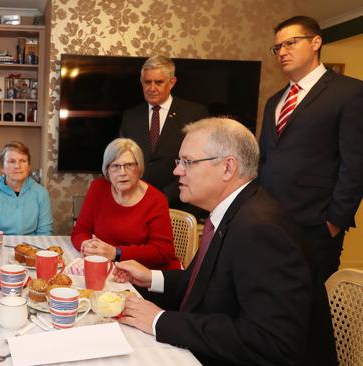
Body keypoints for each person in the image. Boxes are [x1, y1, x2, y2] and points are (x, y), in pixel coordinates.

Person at [114, 118, 337, 365]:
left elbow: (270, 342)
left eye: (187, 162)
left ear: (228, 168)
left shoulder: (261, 230)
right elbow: (205, 284)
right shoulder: (235, 211)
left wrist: (159, 321)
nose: (177, 170)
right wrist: (151, 277)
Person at [259, 15, 363, 283]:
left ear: (316, 42)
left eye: (290, 43)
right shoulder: (274, 101)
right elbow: (266, 160)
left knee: (309, 310)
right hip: (269, 222)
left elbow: (355, 164)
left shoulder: (349, 93)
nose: (282, 52)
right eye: (277, 47)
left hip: (315, 227)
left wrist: (333, 222)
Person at [71, 138, 180, 270]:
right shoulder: (98, 189)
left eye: (129, 165)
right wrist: (86, 245)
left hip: (148, 275)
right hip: (112, 269)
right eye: (115, 166)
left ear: (139, 168)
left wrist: (116, 253)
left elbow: (162, 252)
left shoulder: (156, 199)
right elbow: (80, 231)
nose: (122, 172)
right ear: (107, 170)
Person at [120, 55, 208, 215]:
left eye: (158, 82)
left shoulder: (194, 113)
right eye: (147, 82)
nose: (152, 88)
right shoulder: (130, 116)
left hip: (179, 204)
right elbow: (123, 160)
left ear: (172, 82)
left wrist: (166, 196)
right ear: (141, 82)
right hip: (138, 203)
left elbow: (198, 161)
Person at [0, 141, 53, 235]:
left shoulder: (41, 193)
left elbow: (44, 233)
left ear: (29, 167)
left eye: (23, 161)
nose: (18, 166)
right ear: (2, 168)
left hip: (30, 247)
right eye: (12, 161)